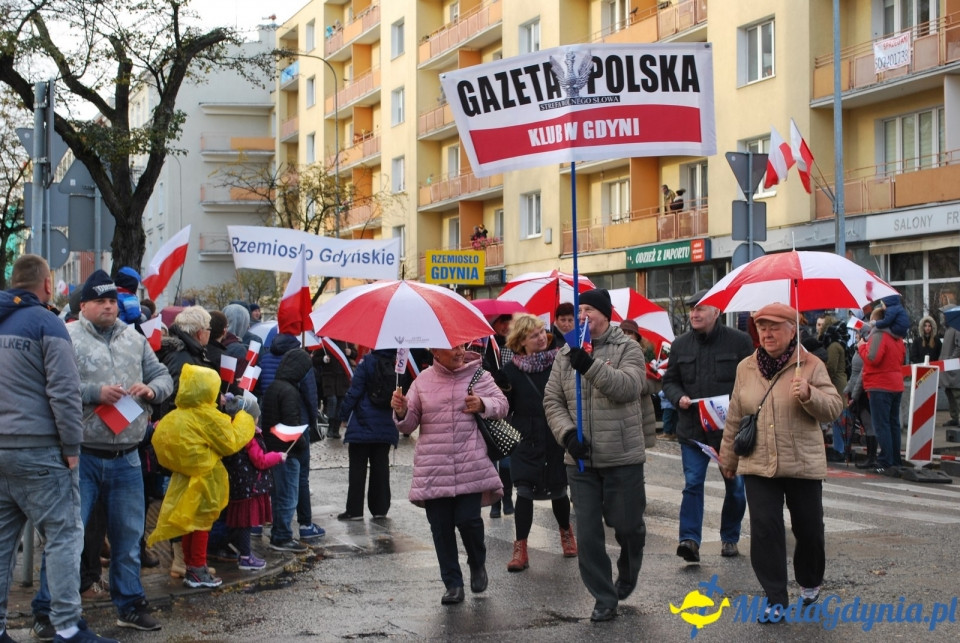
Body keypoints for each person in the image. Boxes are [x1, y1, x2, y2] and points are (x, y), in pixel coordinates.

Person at [0, 256, 118, 643]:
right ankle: (68, 627)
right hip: (41, 451)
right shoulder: (47, 324)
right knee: (65, 536)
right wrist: (71, 447)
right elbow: (64, 392)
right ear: (48, 285)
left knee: (3, 546)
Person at [719, 303, 843, 620]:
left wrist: (810, 394)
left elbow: (833, 408)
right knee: (764, 530)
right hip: (759, 461)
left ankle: (810, 582)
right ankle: (775, 598)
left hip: (801, 462)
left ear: (792, 330)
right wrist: (728, 456)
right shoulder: (746, 367)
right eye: (762, 327)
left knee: (810, 530)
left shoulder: (811, 364)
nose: (767, 333)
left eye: (775, 327)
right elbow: (736, 414)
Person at [66, 270, 174, 631]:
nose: (109, 306)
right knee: (69, 537)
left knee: (128, 538)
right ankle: (54, 611)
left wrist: (151, 391)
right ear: (84, 305)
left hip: (127, 455)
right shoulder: (68, 337)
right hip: (81, 454)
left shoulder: (134, 338)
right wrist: (94, 393)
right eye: (101, 300)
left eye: (112, 300)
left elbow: (163, 377)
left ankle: (129, 605)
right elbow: (53, 385)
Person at [543, 288, 647, 623]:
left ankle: (627, 573)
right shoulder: (565, 352)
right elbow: (552, 400)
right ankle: (604, 597)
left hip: (622, 456)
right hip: (581, 461)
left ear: (606, 314)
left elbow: (628, 388)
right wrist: (567, 434)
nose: (582, 316)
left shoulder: (628, 348)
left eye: (589, 309)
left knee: (628, 527)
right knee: (587, 534)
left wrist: (589, 366)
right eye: (579, 309)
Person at [391, 343, 506, 606]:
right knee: (441, 529)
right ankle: (452, 584)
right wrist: (400, 410)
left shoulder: (479, 375)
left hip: (470, 463)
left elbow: (502, 404)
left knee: (469, 521)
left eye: (461, 346)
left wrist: (483, 404)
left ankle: (477, 563)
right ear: (435, 352)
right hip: (434, 466)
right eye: (452, 348)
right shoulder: (422, 381)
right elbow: (410, 424)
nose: (459, 352)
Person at [661, 294, 754, 563]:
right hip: (693, 431)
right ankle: (689, 540)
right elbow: (670, 380)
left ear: (717, 311)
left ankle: (730, 537)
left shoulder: (739, 341)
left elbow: (751, 380)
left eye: (700, 309)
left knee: (735, 488)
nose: (694, 314)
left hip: (729, 431)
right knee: (692, 484)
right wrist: (678, 397)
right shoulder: (680, 345)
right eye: (692, 309)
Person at [148, 364, 255, 588]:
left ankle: (192, 567)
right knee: (201, 524)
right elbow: (231, 441)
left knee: (189, 523)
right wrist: (245, 417)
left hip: (183, 479)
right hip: (205, 479)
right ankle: (197, 569)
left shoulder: (176, 415)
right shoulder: (207, 416)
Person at [499, 314, 577, 572]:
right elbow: (503, 407)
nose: (542, 337)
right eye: (534, 335)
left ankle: (566, 532)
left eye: (542, 332)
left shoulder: (561, 362)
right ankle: (520, 547)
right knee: (523, 491)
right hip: (525, 439)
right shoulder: (509, 372)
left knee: (558, 490)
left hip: (555, 434)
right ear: (521, 342)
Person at [262, 349, 322, 552]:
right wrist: (303, 444)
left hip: (275, 452)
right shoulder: (290, 392)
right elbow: (290, 426)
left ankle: (279, 532)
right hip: (288, 452)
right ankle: (282, 536)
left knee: (279, 495)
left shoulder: (275, 387)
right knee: (288, 497)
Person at [336, 349, 404, 521]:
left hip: (362, 423)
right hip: (386, 424)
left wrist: (343, 414)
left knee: (357, 469)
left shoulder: (366, 362)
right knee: (381, 467)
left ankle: (355, 510)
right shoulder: (398, 364)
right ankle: (380, 509)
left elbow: (354, 392)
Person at [860, 307, 907, 472]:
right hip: (895, 383)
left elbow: (873, 358)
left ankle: (885, 460)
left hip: (880, 384)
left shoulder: (879, 335)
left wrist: (861, 347)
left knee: (882, 425)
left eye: (872, 319)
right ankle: (895, 459)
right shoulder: (897, 337)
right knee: (893, 424)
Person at [845, 328, 877, 469]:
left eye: (858, 333)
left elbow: (861, 376)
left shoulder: (866, 348)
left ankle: (871, 457)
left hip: (863, 393)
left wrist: (854, 395)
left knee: (868, 424)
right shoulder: (860, 347)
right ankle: (871, 457)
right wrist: (847, 390)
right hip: (856, 391)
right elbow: (854, 374)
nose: (856, 335)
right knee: (866, 424)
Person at [939, 314, 960, 427]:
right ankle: (954, 417)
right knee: (950, 394)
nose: (942, 317)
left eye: (944, 315)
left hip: (954, 369)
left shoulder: (957, 328)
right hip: (947, 369)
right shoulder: (947, 329)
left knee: (957, 394)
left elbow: (959, 347)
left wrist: (950, 360)